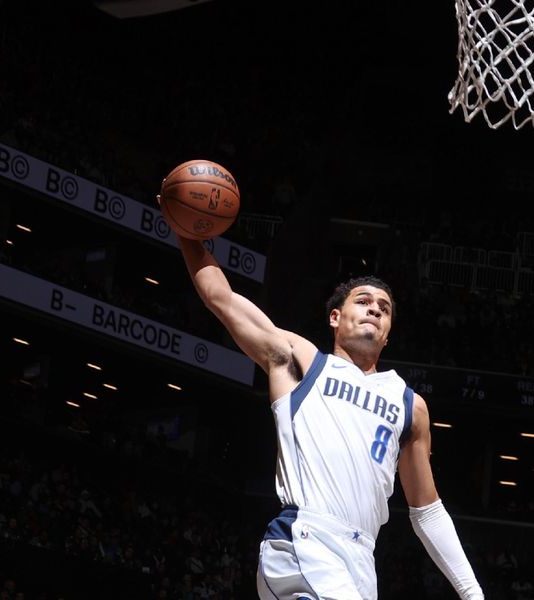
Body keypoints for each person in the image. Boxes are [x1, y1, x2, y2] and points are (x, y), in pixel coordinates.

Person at [163, 208, 485, 600]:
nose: (374, 310)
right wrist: (184, 229)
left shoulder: (410, 405)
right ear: (335, 317)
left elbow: (428, 511)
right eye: (364, 301)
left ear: (387, 336)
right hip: (305, 539)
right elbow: (221, 298)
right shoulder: (302, 362)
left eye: (384, 309)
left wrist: (472, 593)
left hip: (361, 561)